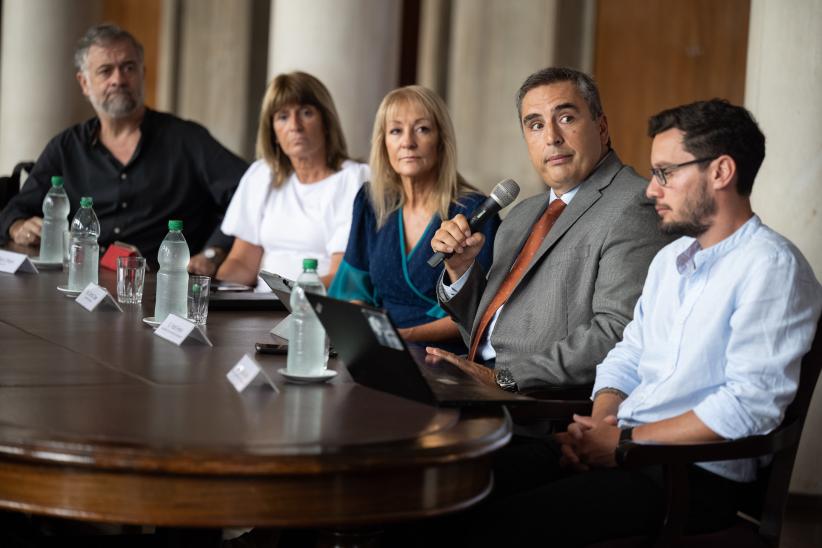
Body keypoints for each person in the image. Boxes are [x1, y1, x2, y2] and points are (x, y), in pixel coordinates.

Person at [448, 99, 822, 547]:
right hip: (627, 447)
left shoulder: (770, 266)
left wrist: (624, 441)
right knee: (457, 486)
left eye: (666, 173)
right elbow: (625, 356)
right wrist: (604, 426)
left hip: (691, 477)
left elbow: (749, 406)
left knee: (493, 524)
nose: (651, 190)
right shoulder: (670, 260)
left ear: (721, 172)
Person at [428, 67, 668, 390]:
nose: (552, 137)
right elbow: (480, 334)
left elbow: (616, 333)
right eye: (536, 125)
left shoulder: (634, 204)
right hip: (481, 385)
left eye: (566, 118)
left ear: (602, 127)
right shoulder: (521, 215)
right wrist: (460, 271)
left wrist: (504, 380)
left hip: (539, 406)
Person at [0, 24, 248, 272]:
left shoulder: (187, 139)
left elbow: (249, 192)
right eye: (105, 71)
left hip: (161, 288)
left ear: (143, 73)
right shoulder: (67, 147)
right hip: (79, 283)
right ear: (84, 83)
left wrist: (214, 251)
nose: (118, 79)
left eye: (128, 68)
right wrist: (17, 226)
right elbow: (16, 209)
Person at [329, 86, 499, 351]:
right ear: (383, 143)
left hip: (442, 356)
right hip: (378, 348)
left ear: (441, 140)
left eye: (422, 129)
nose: (407, 142)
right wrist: (363, 332)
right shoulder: (371, 202)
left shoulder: (473, 211)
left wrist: (401, 336)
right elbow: (354, 290)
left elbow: (481, 313)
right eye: (396, 131)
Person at [216, 72, 369, 290]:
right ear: (274, 133)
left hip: (319, 307)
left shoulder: (354, 180)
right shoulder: (262, 175)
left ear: (326, 122)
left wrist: (291, 297)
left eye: (306, 113)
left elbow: (343, 275)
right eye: (283, 117)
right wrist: (209, 290)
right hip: (260, 307)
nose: (295, 125)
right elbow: (242, 263)